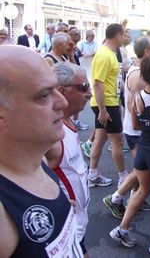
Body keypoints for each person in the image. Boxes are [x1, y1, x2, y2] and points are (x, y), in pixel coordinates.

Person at [0, 45, 83, 257]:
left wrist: (62, 211)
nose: (62, 102)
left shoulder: (38, 160)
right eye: (43, 95)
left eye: (56, 89)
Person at [110, 57, 150, 254]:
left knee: (142, 191)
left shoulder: (137, 96)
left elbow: (135, 126)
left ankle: (122, 229)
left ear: (143, 76)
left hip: (143, 148)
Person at [102, 35, 150, 218]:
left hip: (137, 129)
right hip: (138, 130)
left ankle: (129, 198)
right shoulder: (139, 75)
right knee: (142, 170)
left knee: (143, 169)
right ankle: (118, 198)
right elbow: (134, 105)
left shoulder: (138, 69)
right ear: (148, 51)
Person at [45, 62, 91, 257]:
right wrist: (52, 200)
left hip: (79, 223)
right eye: (83, 88)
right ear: (62, 91)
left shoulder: (67, 120)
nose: (89, 93)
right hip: (65, 231)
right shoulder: (49, 133)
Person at [88, 23, 128, 188]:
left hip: (107, 103)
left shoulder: (110, 53)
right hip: (107, 104)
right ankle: (123, 178)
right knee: (117, 141)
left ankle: (92, 174)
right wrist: (103, 111)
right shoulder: (104, 55)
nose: (125, 38)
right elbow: (98, 84)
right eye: (124, 34)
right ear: (118, 35)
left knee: (100, 139)